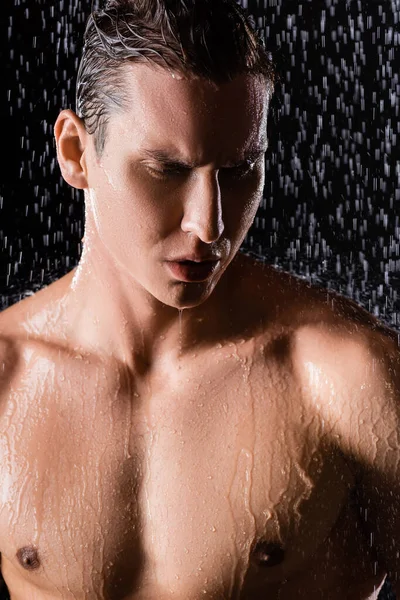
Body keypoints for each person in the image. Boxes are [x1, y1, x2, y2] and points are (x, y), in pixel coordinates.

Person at [0, 0, 399, 598]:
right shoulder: (6, 382)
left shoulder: (346, 378)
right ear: (76, 153)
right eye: (167, 169)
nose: (210, 224)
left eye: (240, 170)